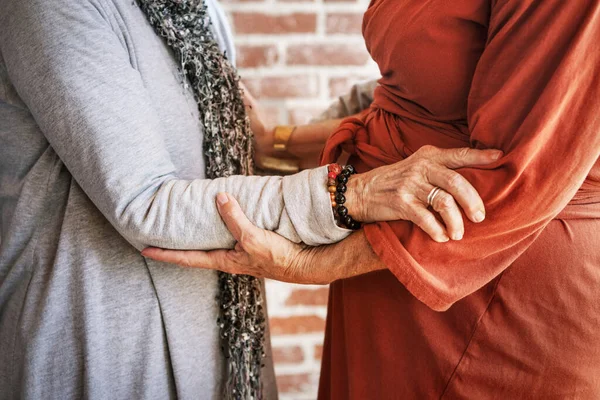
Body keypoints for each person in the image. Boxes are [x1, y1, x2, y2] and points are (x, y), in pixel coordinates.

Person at [0, 0, 500, 398]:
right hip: (107, 340)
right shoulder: (52, 8)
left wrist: (405, 102)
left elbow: (231, 169)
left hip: (225, 333)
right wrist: (352, 194)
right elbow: (145, 202)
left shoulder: (196, 13)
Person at [144, 0, 600, 398]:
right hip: (388, 265)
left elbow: (517, 171)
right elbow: (413, 106)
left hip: (489, 292)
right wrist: (279, 143)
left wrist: (310, 265)